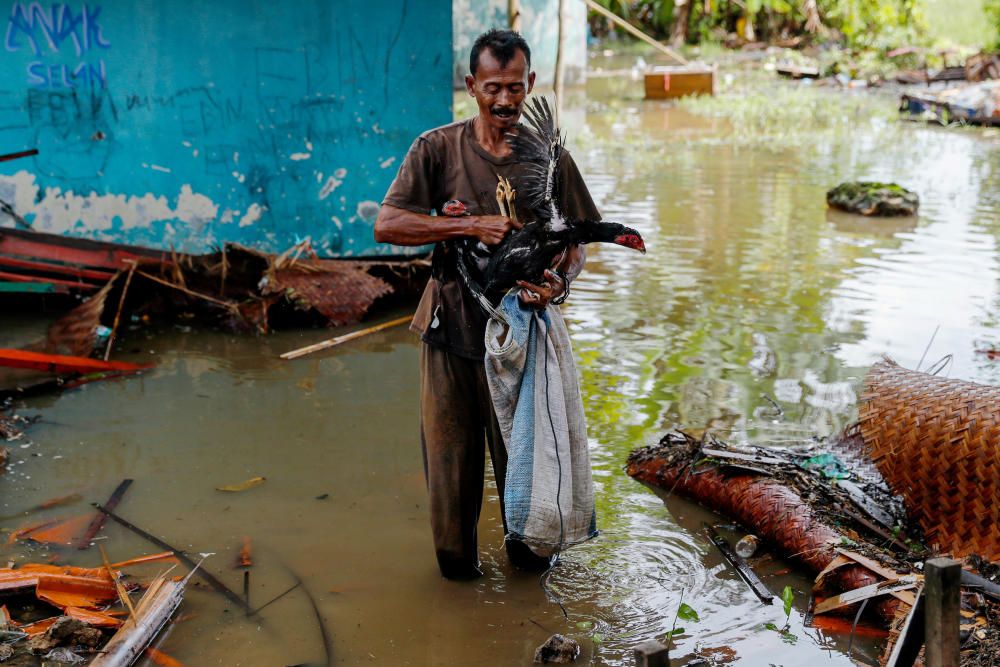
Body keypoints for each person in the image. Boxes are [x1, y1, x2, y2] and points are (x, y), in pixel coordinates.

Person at [374, 29, 601, 580]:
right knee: (452, 491)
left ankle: (527, 598)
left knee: (529, 482)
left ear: (531, 86)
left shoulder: (550, 158)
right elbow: (388, 224)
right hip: (450, 333)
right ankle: (460, 592)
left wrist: (559, 284)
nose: (505, 100)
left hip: (524, 341)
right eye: (493, 87)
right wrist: (468, 223)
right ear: (472, 85)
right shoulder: (437, 148)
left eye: (516, 88)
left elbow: (577, 240)